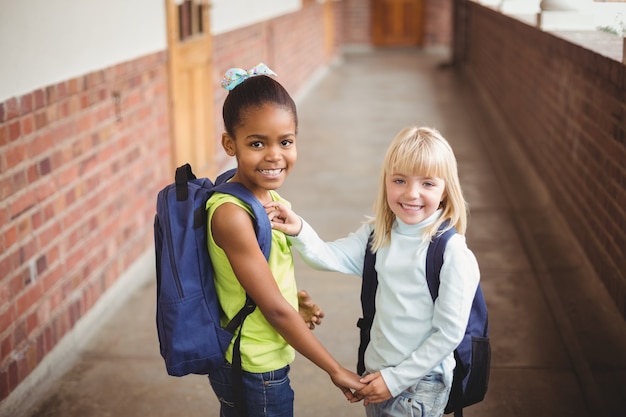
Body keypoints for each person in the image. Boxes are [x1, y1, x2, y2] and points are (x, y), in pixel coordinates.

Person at [267, 126, 481, 417]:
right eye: (400, 180)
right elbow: (329, 256)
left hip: (421, 382)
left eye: (428, 184)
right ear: (386, 182)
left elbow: (448, 335)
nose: (411, 193)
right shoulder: (378, 234)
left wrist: (394, 381)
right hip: (377, 372)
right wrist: (299, 229)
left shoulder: (451, 253)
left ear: (445, 191)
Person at [206, 63, 364, 417]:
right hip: (253, 363)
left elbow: (266, 283)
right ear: (230, 144)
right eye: (257, 143)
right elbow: (274, 309)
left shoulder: (272, 200)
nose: (274, 155)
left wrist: (293, 301)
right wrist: (335, 370)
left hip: (262, 354)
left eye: (286, 142)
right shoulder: (232, 214)